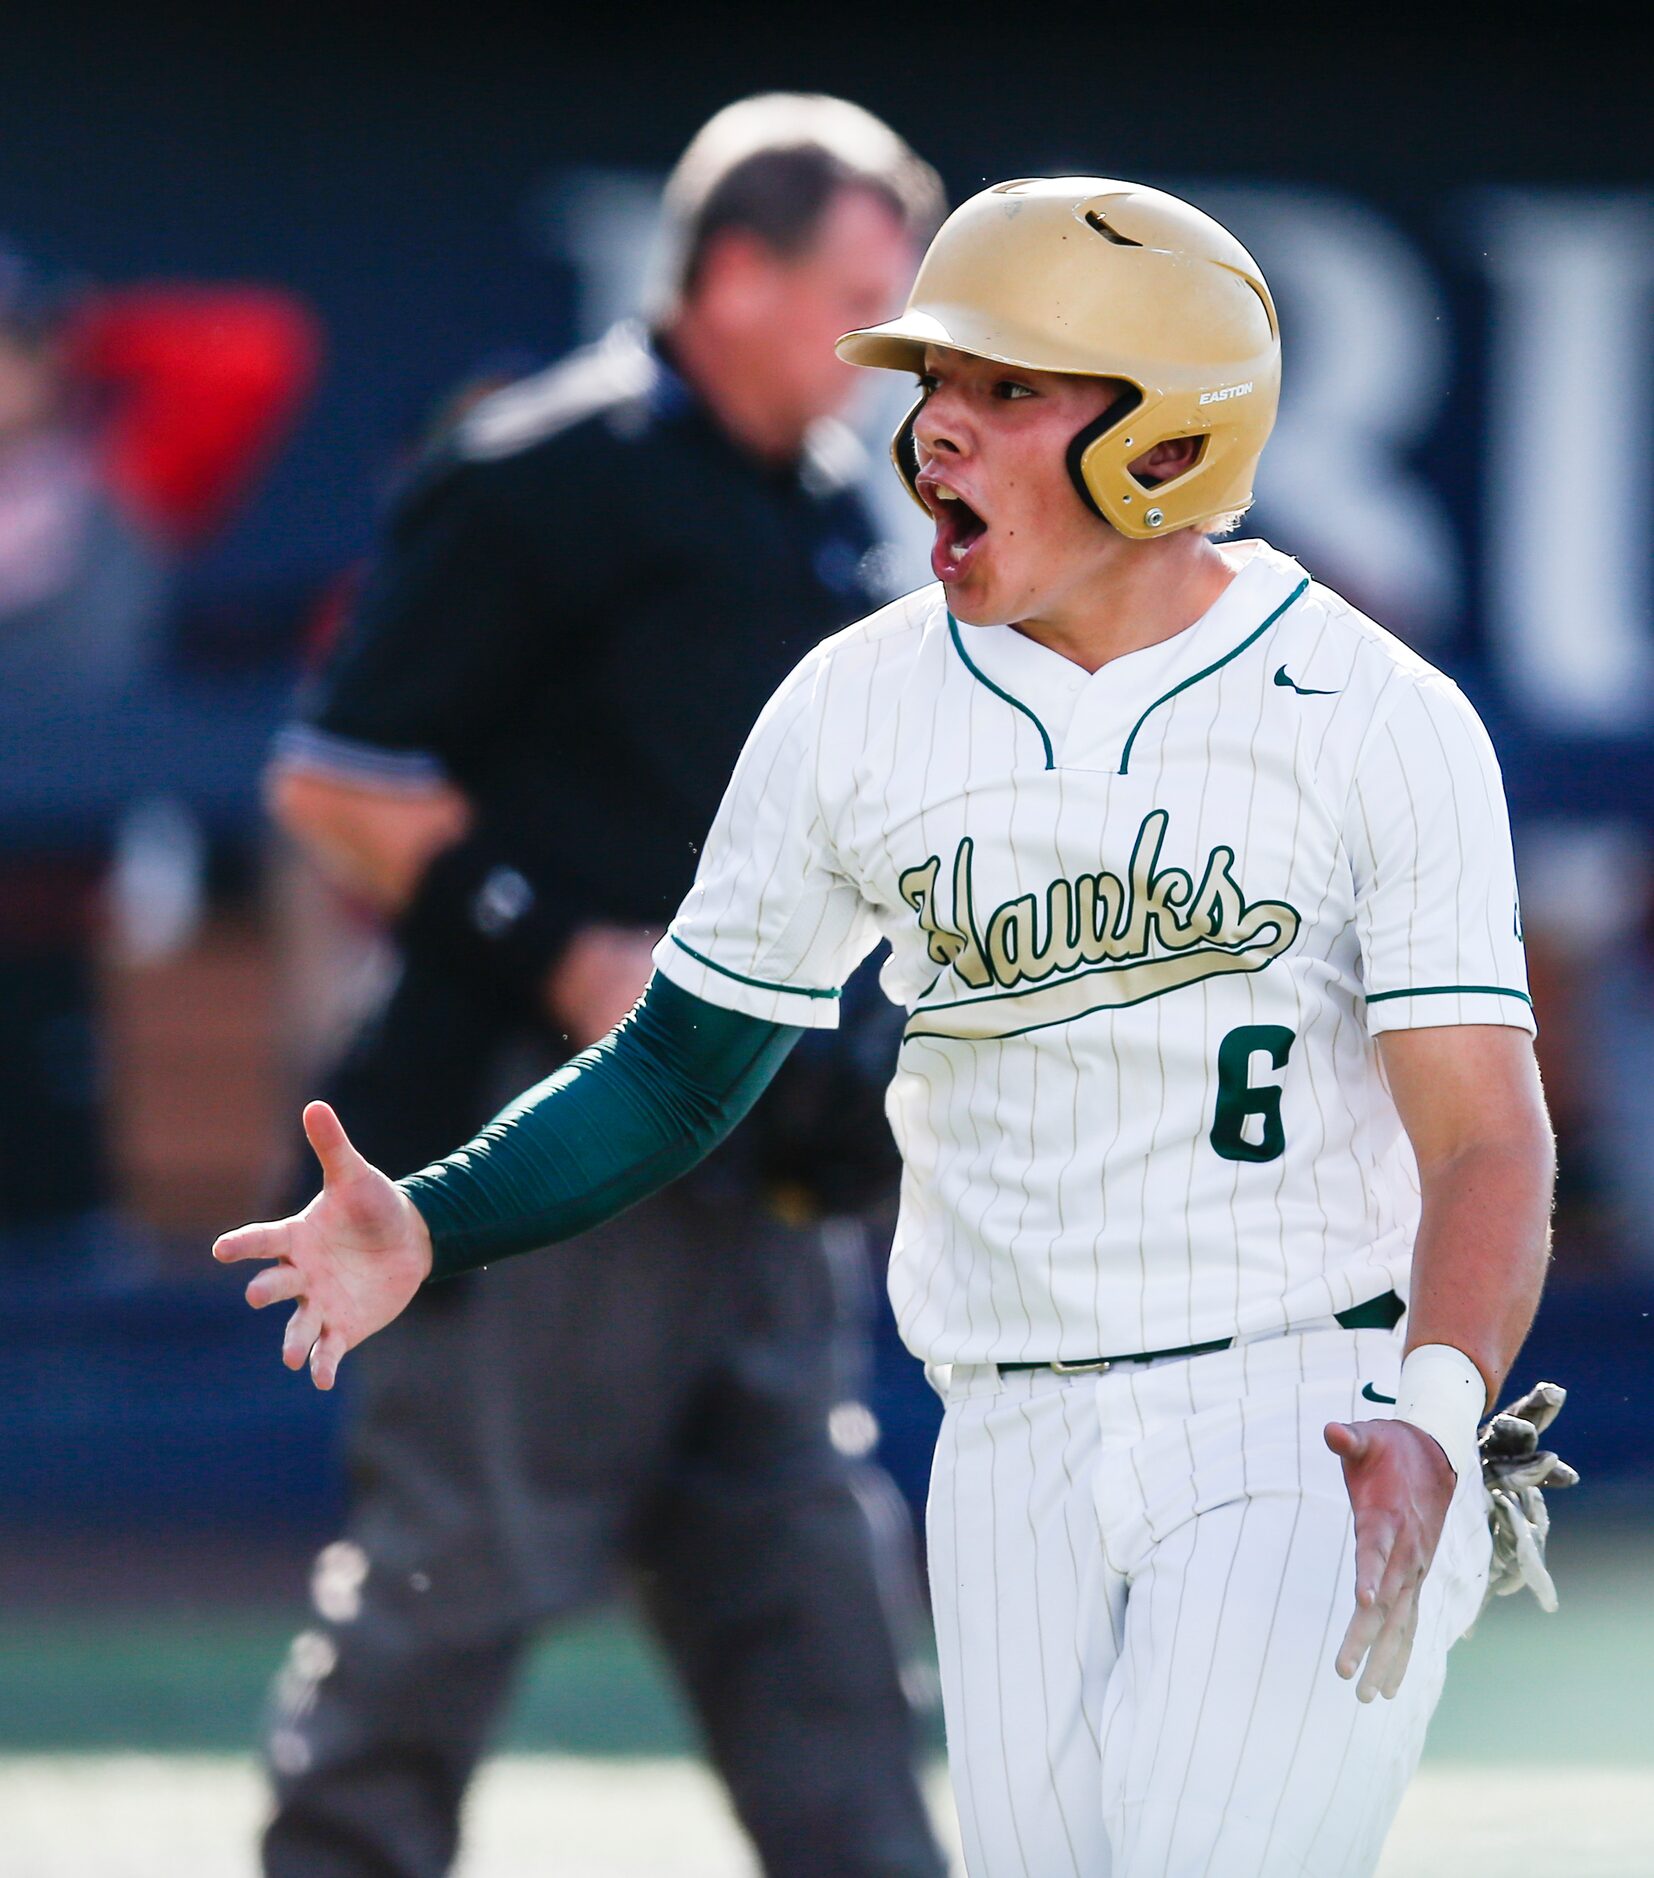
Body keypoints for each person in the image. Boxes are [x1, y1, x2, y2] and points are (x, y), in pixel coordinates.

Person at [219, 177, 1563, 1876]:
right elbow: (674, 1067)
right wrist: (435, 1214)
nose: (931, 430)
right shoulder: (857, 702)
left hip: (1299, 1401)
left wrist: (1434, 1406)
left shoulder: (1369, 714)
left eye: (1007, 388)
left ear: (1166, 438)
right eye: (931, 381)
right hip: (1005, 1426)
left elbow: (1482, 1134)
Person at [251, 97, 948, 1878]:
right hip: (528, 1130)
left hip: (762, 1156)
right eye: (855, 302)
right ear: (731, 273)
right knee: (442, 1593)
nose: (885, 354)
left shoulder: (829, 507)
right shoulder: (540, 467)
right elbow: (337, 778)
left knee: (814, 1604)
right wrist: (569, 950)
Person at [0, 242, 317, 1266]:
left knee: (61, 1205)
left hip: (67, 911)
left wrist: (84, 325)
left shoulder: (121, 486)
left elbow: (260, 351)